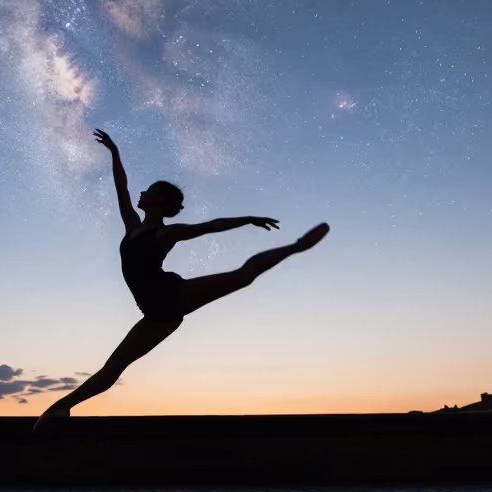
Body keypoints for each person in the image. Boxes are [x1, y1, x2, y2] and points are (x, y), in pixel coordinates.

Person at [34, 129, 330, 431]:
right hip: (153, 313)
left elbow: (209, 226)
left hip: (172, 295)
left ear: (160, 202)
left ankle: (298, 246)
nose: (141, 193)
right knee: (113, 368)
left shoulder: (165, 233)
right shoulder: (132, 225)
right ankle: (59, 409)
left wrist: (249, 219)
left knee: (242, 277)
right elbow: (121, 187)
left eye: (148, 190)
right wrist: (114, 152)